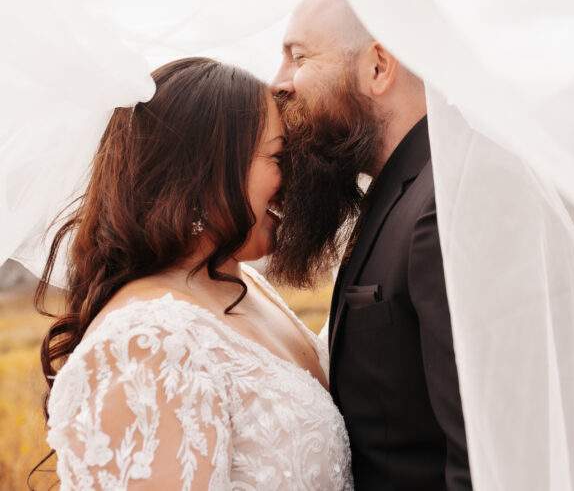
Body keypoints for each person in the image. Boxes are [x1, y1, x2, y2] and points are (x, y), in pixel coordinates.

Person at [34, 57, 353, 490]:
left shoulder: (242, 285)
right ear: (203, 174)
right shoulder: (144, 344)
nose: (294, 177)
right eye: (279, 156)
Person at [270, 0, 472, 491]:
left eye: (298, 57)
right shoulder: (398, 192)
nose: (278, 83)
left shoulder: (446, 207)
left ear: (378, 68)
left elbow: (486, 458)